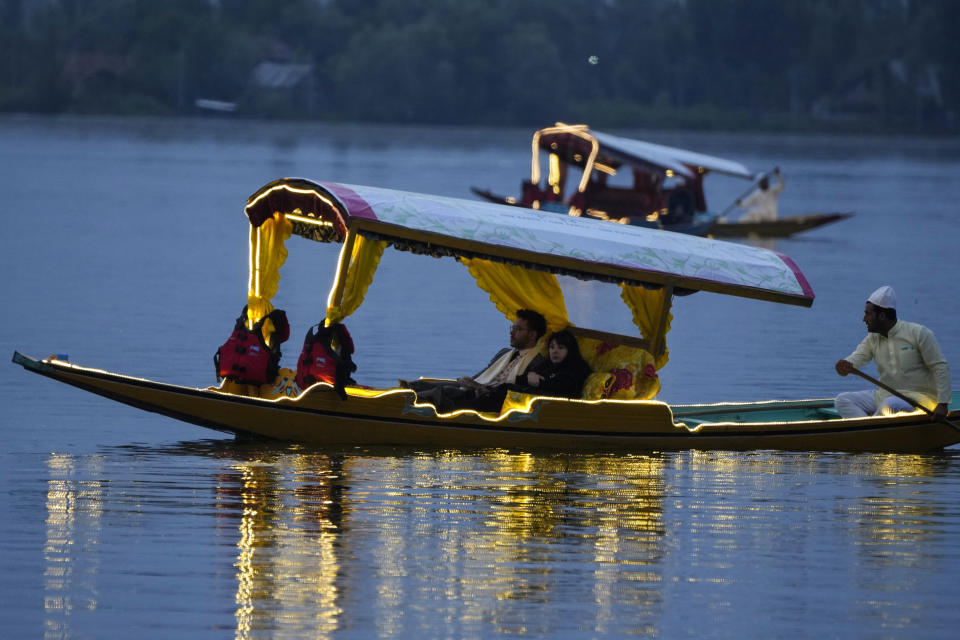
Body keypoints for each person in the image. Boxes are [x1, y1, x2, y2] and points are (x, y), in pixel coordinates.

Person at [834, 285, 951, 419]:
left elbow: (940, 367)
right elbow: (857, 357)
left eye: (867, 314)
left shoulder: (919, 333)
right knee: (842, 400)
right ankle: (869, 432)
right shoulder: (873, 338)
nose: (864, 319)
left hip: (920, 399)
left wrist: (943, 404)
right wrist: (845, 365)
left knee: (890, 405)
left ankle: (868, 433)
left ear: (882, 316)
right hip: (884, 395)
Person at [409, 309, 548, 413]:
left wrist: (478, 387)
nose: (511, 332)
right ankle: (397, 401)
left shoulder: (538, 362)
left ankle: (400, 408)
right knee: (420, 385)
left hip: (488, 398)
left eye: (517, 329)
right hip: (476, 388)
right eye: (512, 328)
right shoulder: (504, 353)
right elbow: (482, 376)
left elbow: (515, 391)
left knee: (445, 392)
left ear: (532, 335)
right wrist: (469, 381)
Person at [513, 329, 592, 399]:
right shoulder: (548, 364)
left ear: (570, 350)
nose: (555, 351)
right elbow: (530, 377)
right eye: (552, 347)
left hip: (561, 407)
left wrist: (539, 383)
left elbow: (563, 386)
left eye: (560, 347)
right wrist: (528, 377)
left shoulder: (578, 367)